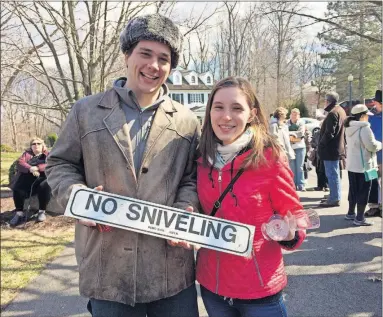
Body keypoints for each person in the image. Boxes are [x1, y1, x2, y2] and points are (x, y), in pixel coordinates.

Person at [46, 14, 200, 317]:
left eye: (164, 59)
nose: (153, 66)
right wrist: (79, 198)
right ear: (127, 54)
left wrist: (186, 208)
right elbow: (59, 164)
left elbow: (192, 178)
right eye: (145, 53)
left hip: (170, 267)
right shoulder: (86, 111)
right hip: (107, 266)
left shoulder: (187, 121)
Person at [196, 77, 307, 317]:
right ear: (210, 111)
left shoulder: (270, 157)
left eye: (237, 108)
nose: (226, 116)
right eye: (219, 107)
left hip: (259, 291)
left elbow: (296, 216)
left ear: (252, 114)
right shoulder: (200, 158)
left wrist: (290, 234)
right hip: (212, 287)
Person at [344, 104, 381, 226]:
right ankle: (359, 218)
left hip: (352, 165)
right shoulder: (365, 128)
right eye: (366, 115)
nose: (368, 118)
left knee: (353, 190)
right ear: (362, 116)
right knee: (364, 191)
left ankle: (350, 213)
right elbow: (371, 146)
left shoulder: (348, 127)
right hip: (366, 166)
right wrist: (380, 144)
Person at [9, 137, 51, 226]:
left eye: (38, 143)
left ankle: (41, 211)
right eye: (34, 144)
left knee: (44, 185)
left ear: (43, 145)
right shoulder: (26, 154)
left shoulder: (48, 154)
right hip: (27, 179)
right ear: (31, 146)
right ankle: (19, 213)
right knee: (17, 188)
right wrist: (30, 168)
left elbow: (50, 164)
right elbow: (20, 163)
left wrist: (38, 168)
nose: (36, 145)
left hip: (42, 178)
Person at [318, 91, 347, 207]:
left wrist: (321, 144)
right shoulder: (340, 110)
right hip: (336, 148)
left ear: (328, 101)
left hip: (331, 149)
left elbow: (329, 133)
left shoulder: (333, 113)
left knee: (332, 174)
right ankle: (334, 195)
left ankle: (334, 198)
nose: (324, 103)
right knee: (333, 174)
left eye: (325, 100)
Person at [366, 89, 382, 217]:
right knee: (371, 179)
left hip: (380, 156)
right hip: (371, 156)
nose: (373, 104)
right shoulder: (370, 116)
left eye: (375, 102)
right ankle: (373, 206)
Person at [287, 108, 307, 191]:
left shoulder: (301, 123)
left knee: (300, 167)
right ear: (290, 114)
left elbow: (301, 133)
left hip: (300, 147)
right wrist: (294, 134)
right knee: (292, 167)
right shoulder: (286, 123)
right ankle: (293, 184)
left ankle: (301, 184)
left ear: (299, 115)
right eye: (293, 114)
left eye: (296, 114)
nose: (294, 116)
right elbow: (284, 133)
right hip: (290, 148)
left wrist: (290, 134)